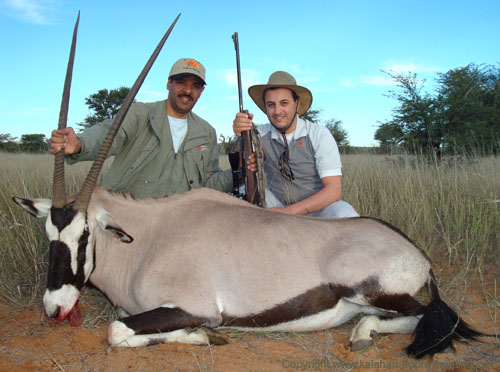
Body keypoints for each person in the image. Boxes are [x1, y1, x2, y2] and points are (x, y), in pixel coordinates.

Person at [50, 58, 232, 198]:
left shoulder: (207, 132)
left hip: (179, 226)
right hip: (128, 218)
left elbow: (210, 184)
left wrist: (244, 171)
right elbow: (110, 133)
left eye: (195, 86)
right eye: (182, 82)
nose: (188, 91)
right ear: (169, 83)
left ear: (201, 91)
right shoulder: (139, 113)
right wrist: (80, 143)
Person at [233, 71, 359, 218]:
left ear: (297, 104)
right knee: (242, 192)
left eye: (284, 103)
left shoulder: (319, 134)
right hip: (277, 204)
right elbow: (241, 167)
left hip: (318, 209)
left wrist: (289, 213)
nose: (277, 111)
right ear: (266, 108)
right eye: (271, 105)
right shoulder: (259, 134)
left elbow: (333, 190)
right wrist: (241, 136)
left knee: (344, 213)